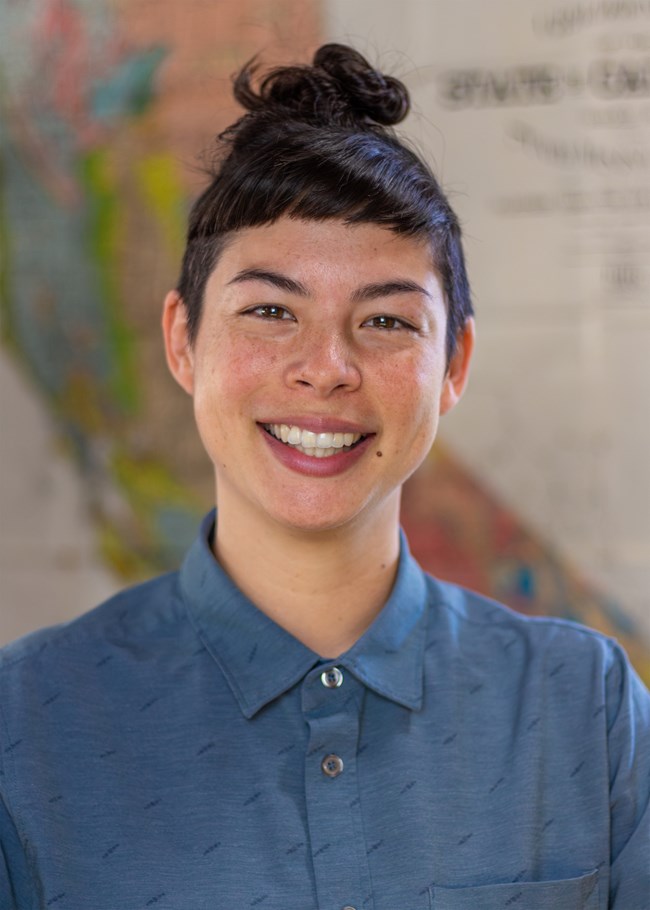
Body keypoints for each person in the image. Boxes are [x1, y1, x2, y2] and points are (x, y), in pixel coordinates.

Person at [0, 43, 648, 910]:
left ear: (453, 363)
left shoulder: (587, 709)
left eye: (385, 320)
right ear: (182, 339)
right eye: (271, 310)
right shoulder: (26, 722)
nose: (327, 368)